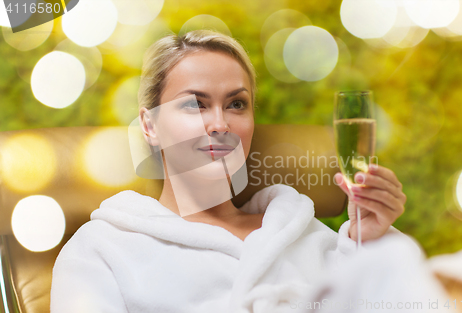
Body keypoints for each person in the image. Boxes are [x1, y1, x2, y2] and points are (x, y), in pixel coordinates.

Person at [50, 30, 408, 313]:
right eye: (195, 104)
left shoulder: (307, 237)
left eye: (236, 104)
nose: (220, 124)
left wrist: (372, 244)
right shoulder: (102, 251)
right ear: (150, 125)